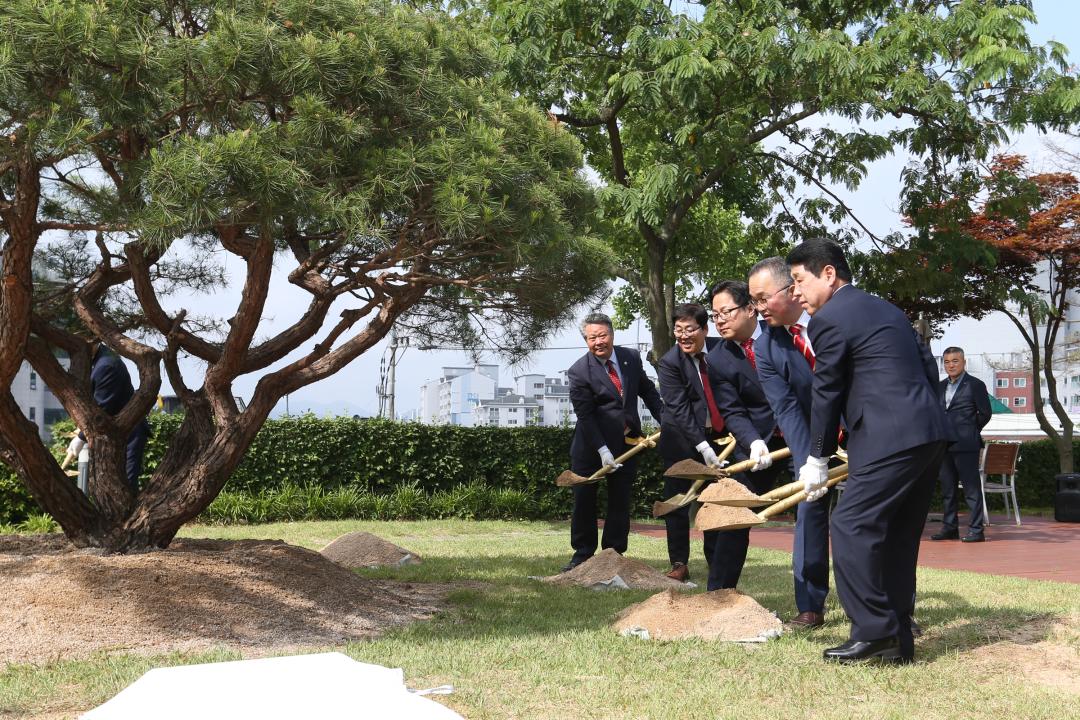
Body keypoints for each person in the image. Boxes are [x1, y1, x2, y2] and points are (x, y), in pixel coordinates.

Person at [787, 238, 951, 665]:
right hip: (928, 431)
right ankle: (897, 639)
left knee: (850, 525)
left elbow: (827, 391)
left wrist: (817, 457)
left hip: (888, 435)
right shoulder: (887, 309)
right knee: (896, 535)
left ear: (828, 273)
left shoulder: (830, 318)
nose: (796, 293)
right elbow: (925, 364)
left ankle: (874, 632)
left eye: (799, 281)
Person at [747, 257, 831, 629]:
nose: (759, 309)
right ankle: (810, 605)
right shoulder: (767, 346)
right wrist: (808, 461)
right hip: (814, 438)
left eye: (764, 299)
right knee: (810, 511)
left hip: (864, 431)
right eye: (754, 302)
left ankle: (895, 609)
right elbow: (787, 409)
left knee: (871, 522)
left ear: (792, 289)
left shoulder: (834, 319)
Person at [563, 313, 664, 572]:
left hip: (627, 443)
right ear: (586, 340)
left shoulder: (630, 358)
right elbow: (585, 415)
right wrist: (602, 449)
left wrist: (665, 420)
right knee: (584, 501)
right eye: (591, 337)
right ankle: (582, 555)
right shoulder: (578, 371)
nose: (598, 342)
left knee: (620, 501)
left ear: (612, 334)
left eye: (602, 335)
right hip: (590, 447)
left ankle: (613, 553)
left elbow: (648, 391)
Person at [704, 280, 788, 588]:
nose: (720, 320)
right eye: (714, 315)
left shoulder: (782, 335)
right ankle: (720, 593)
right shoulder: (717, 358)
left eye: (725, 311)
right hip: (759, 442)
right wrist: (752, 441)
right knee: (734, 514)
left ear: (750, 308)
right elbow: (732, 410)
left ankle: (811, 606)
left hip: (803, 436)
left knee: (813, 514)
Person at [656, 303, 730, 588]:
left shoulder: (722, 350)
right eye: (678, 330)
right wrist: (703, 447)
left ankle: (716, 562)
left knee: (712, 501)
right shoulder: (670, 362)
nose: (683, 336)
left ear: (704, 329)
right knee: (678, 502)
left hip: (720, 439)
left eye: (689, 330)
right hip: (681, 442)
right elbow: (679, 409)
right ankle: (679, 563)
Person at [932, 347, 992, 543]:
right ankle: (950, 528)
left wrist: (970, 430)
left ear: (964, 362)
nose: (951, 365)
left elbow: (985, 413)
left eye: (955, 361)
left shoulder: (975, 385)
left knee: (971, 490)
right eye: (947, 362)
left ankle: (976, 530)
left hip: (966, 444)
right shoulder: (939, 387)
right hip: (944, 445)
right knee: (948, 490)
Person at [87, 343, 151, 494]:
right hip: (117, 432)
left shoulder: (106, 365)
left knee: (125, 486)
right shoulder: (99, 357)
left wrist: (81, 436)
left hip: (129, 433)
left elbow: (103, 407)